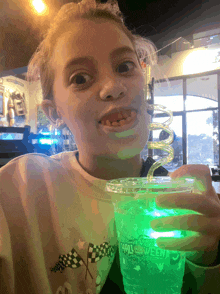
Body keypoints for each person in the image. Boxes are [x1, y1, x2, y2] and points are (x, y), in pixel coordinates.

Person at [1, 0, 220, 293]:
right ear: (54, 113)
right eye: (81, 78)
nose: (113, 87)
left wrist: (211, 257)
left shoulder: (176, 204)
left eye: (124, 66)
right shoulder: (21, 189)